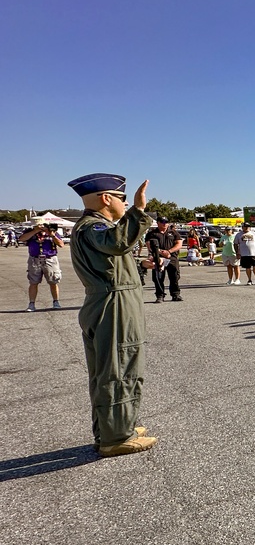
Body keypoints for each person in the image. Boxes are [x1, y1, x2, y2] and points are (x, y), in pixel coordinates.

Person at [67, 173, 158, 456]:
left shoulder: (94, 227)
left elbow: (117, 250)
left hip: (112, 299)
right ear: (107, 198)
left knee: (112, 366)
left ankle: (116, 426)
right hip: (113, 303)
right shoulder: (93, 227)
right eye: (122, 198)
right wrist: (139, 210)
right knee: (119, 367)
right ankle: (116, 437)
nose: (125, 203)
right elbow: (117, 242)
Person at [19, 223, 65, 311]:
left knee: (53, 281)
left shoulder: (52, 232)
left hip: (50, 258)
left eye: (43, 225)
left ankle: (56, 302)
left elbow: (61, 244)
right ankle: (31, 304)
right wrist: (35, 231)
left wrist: (52, 235)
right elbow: (22, 239)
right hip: (34, 259)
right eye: (38, 225)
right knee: (33, 282)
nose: (41, 227)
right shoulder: (30, 232)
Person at [146, 216, 183, 302]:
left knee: (174, 276)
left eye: (166, 222)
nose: (165, 224)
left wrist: (169, 251)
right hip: (158, 258)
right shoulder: (152, 233)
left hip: (172, 257)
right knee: (158, 277)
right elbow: (149, 245)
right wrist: (161, 252)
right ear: (158, 223)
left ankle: (175, 294)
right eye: (162, 222)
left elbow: (179, 244)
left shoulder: (173, 233)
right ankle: (160, 295)